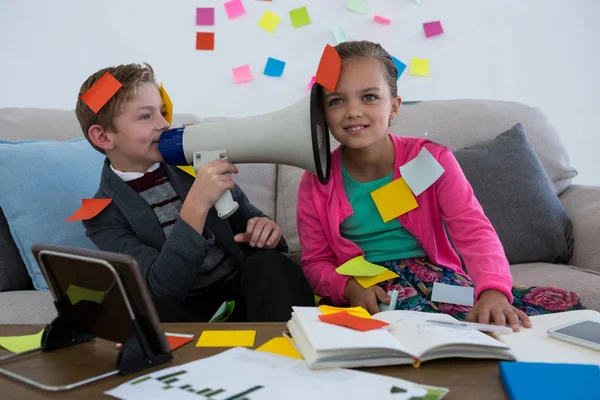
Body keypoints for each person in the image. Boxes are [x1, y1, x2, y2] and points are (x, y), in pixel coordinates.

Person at [297, 41, 585, 331]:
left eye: (369, 97)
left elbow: (474, 230)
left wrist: (493, 291)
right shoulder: (316, 181)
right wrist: (348, 288)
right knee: (415, 322)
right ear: (323, 114)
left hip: (437, 282)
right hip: (369, 291)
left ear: (394, 107)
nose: (353, 111)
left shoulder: (430, 160)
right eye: (337, 101)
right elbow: (315, 262)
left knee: (558, 307)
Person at [75, 63, 314, 322]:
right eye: (146, 116)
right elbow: (160, 290)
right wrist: (197, 203)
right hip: (184, 311)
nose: (164, 124)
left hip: (240, 293)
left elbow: (248, 221)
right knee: (139, 309)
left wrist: (264, 229)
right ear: (103, 137)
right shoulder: (101, 214)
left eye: (163, 112)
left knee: (272, 265)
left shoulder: (189, 163)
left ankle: (289, 350)